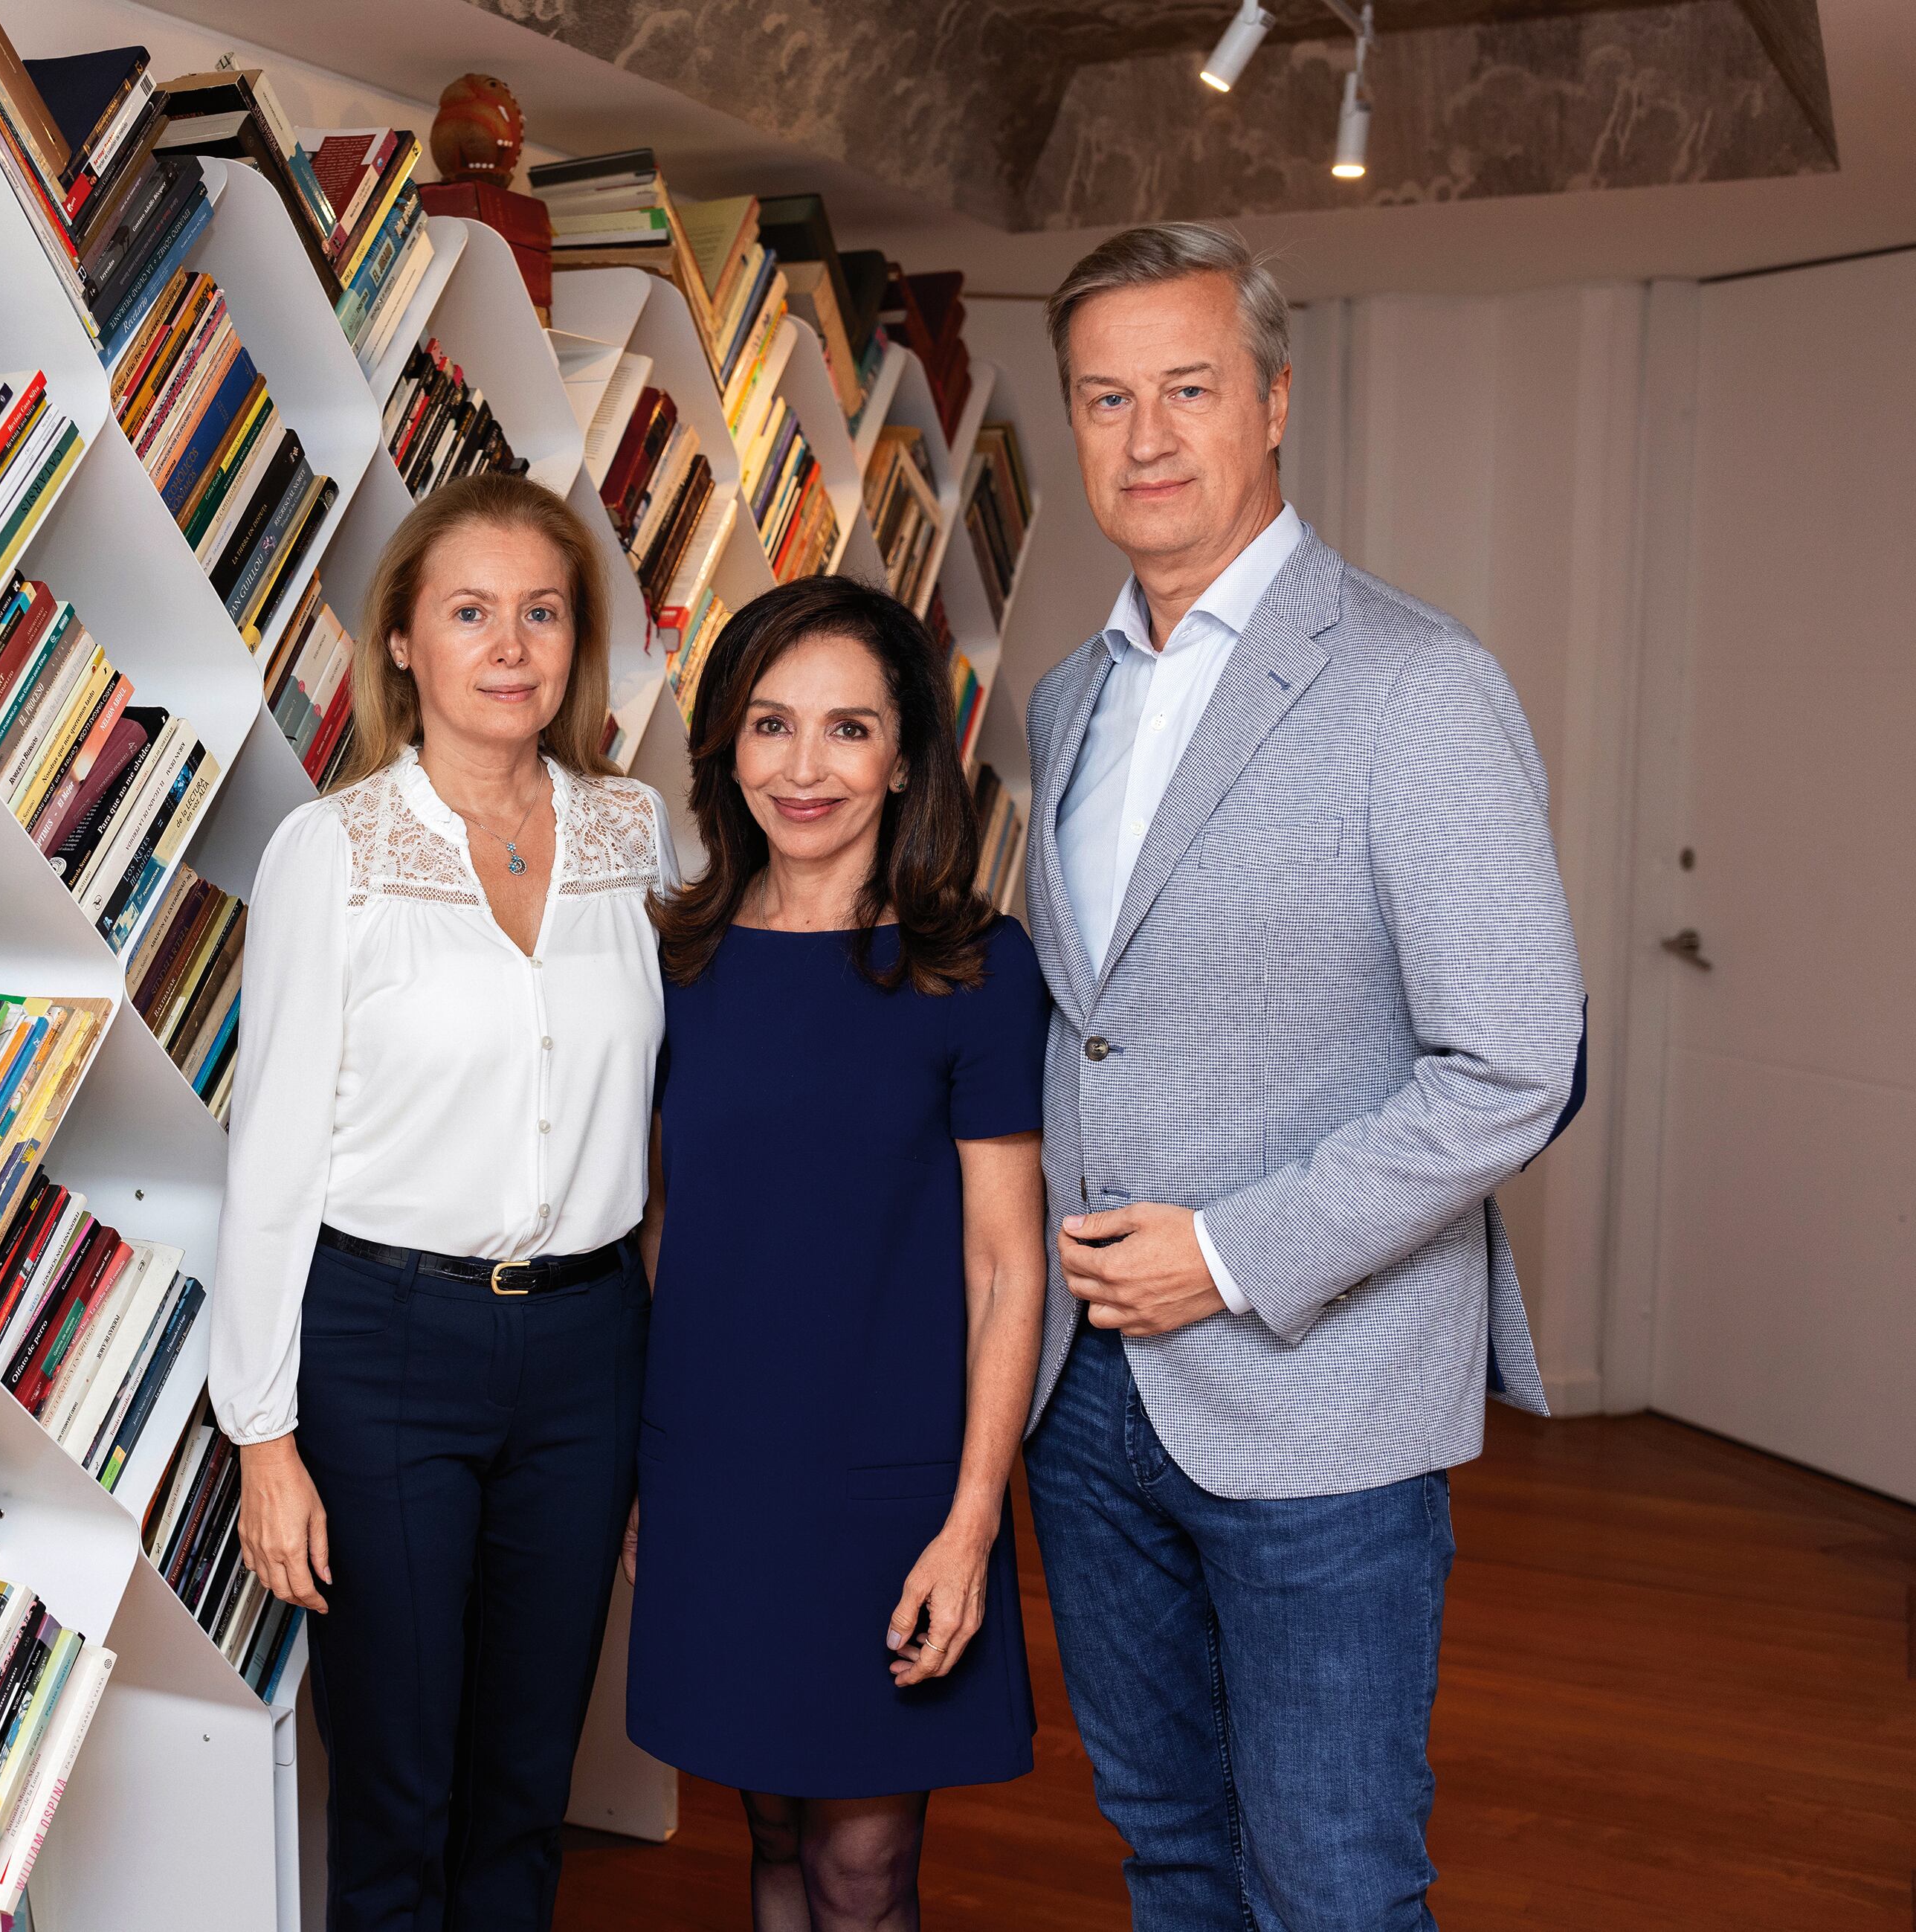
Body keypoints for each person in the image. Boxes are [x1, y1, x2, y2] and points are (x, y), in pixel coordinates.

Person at [1018, 222, 1586, 1929]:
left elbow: (1513, 1066)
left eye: (1186, 389)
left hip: (1318, 1393)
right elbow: (1093, 1017)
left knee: (1331, 1886)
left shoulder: (1415, 685)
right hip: (1086, 1394)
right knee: (1170, 1855)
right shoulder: (1063, 701)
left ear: (1271, 402)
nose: (1144, 438)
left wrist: (1235, 1253)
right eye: (1104, 399)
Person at [210, 471, 674, 1932]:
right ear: (403, 642)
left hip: (590, 1347)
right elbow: (272, 1152)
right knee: (402, 1781)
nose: (510, 645)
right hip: (385, 1349)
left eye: (540, 612)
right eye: (469, 612)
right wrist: (264, 1438)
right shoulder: (333, 852)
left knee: (527, 1774)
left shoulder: (636, 837)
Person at [627, 575, 1051, 1932]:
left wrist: (973, 1521)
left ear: (908, 757)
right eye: (771, 725)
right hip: (717, 1471)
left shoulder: (974, 965)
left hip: (892, 1487)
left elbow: (1006, 1265)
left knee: (862, 1871)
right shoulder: (678, 957)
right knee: (765, 1831)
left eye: (849, 729)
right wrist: (648, 1474)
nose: (805, 769)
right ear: (726, 751)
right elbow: (662, 1227)